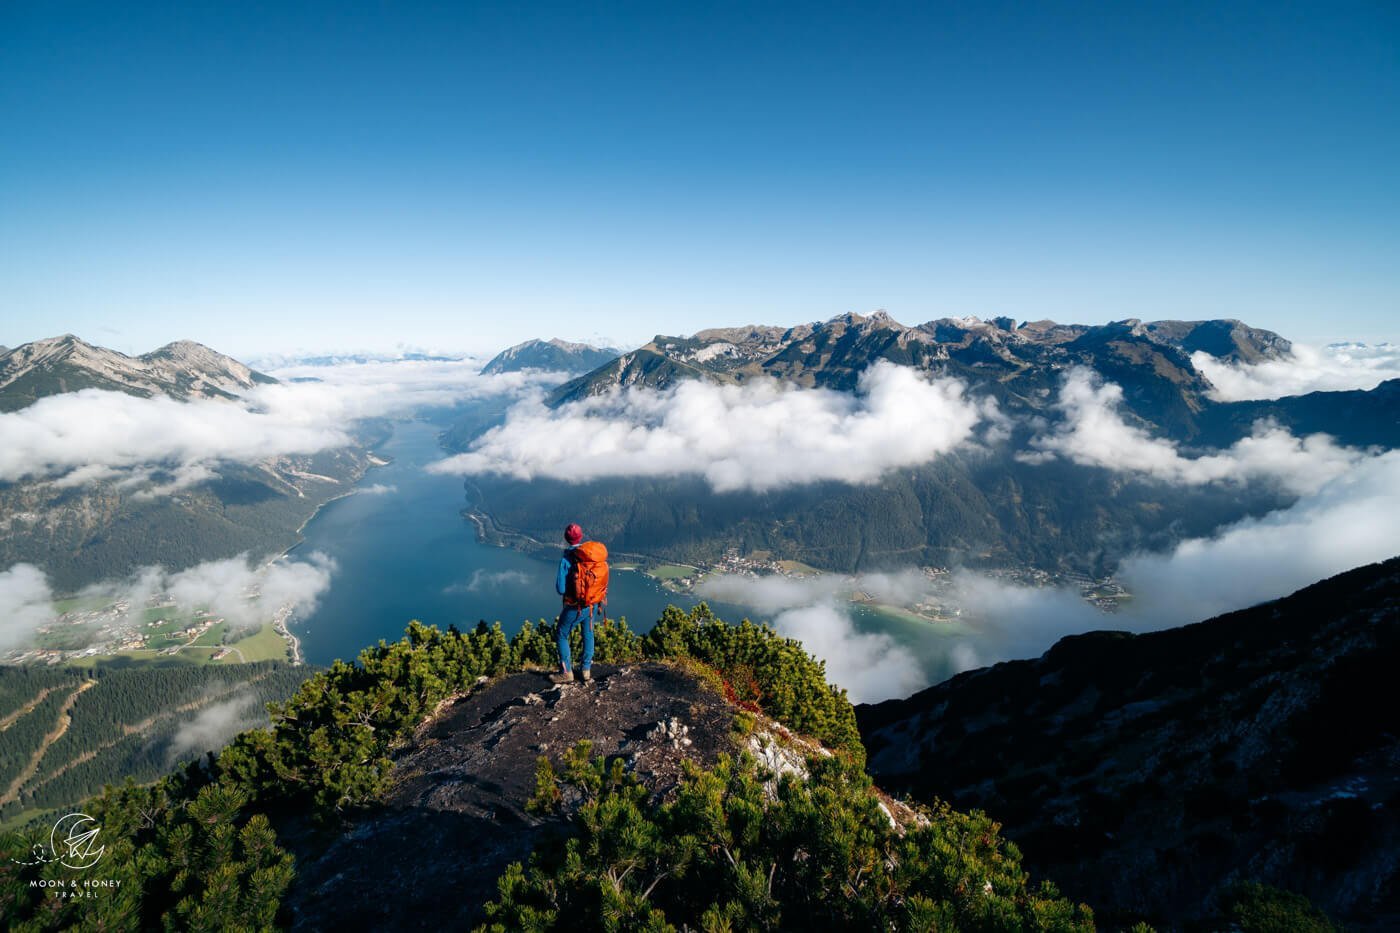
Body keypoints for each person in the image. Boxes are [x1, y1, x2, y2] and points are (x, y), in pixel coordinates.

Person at [550, 522, 608, 684]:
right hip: (592, 604)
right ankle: (586, 670)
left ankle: (566, 672)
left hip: (574, 606)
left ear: (566, 538)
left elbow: (560, 589)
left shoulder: (567, 559)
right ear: (581, 536)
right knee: (588, 633)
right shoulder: (591, 556)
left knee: (561, 634)